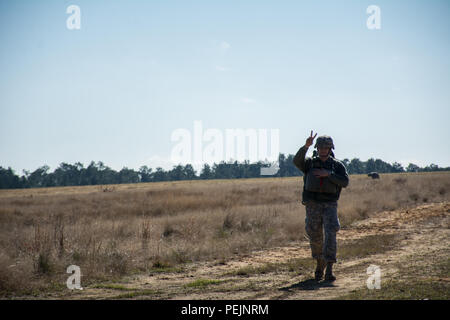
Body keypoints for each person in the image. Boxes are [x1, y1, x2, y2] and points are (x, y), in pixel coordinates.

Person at [293, 131, 349, 281]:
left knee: (331, 233)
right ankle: (319, 263)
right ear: (317, 148)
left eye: (326, 148)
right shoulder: (310, 163)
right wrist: (306, 146)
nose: (323, 150)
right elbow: (297, 162)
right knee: (314, 234)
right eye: (321, 148)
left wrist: (328, 174)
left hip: (330, 204)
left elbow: (345, 182)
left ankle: (329, 268)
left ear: (331, 149)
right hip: (312, 204)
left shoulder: (337, 165)